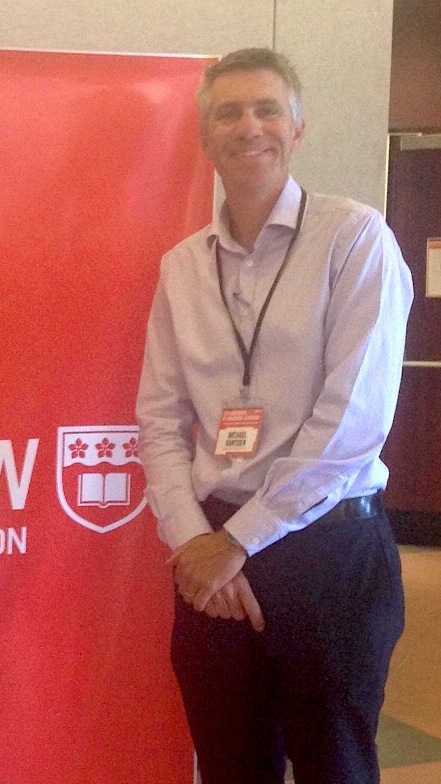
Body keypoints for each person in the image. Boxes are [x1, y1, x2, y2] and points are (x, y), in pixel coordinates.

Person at [135, 48, 413, 784]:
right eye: (228, 113)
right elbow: (158, 418)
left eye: (266, 110)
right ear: (205, 136)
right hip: (209, 550)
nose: (248, 126)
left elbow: (352, 422)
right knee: (230, 765)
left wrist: (237, 541)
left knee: (335, 767)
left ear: (297, 129)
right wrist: (195, 541)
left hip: (328, 550)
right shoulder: (182, 266)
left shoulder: (354, 239)